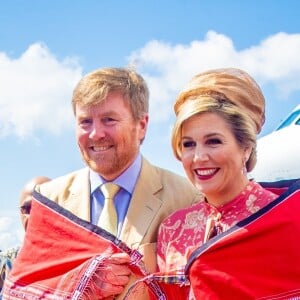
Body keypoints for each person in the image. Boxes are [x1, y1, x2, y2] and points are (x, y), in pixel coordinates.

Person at [21, 67, 199, 299]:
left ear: (142, 125)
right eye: (85, 121)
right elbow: (24, 289)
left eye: (109, 119)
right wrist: (79, 283)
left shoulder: (187, 199)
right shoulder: (48, 201)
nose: (96, 134)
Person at [156, 68, 300, 298]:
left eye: (213, 141)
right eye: (188, 144)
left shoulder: (290, 217)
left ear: (246, 147)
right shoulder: (173, 228)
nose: (199, 157)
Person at [0, 176, 50, 296]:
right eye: (27, 208)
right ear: (20, 213)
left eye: (44, 207)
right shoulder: (5, 264)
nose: (35, 215)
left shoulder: (80, 267)